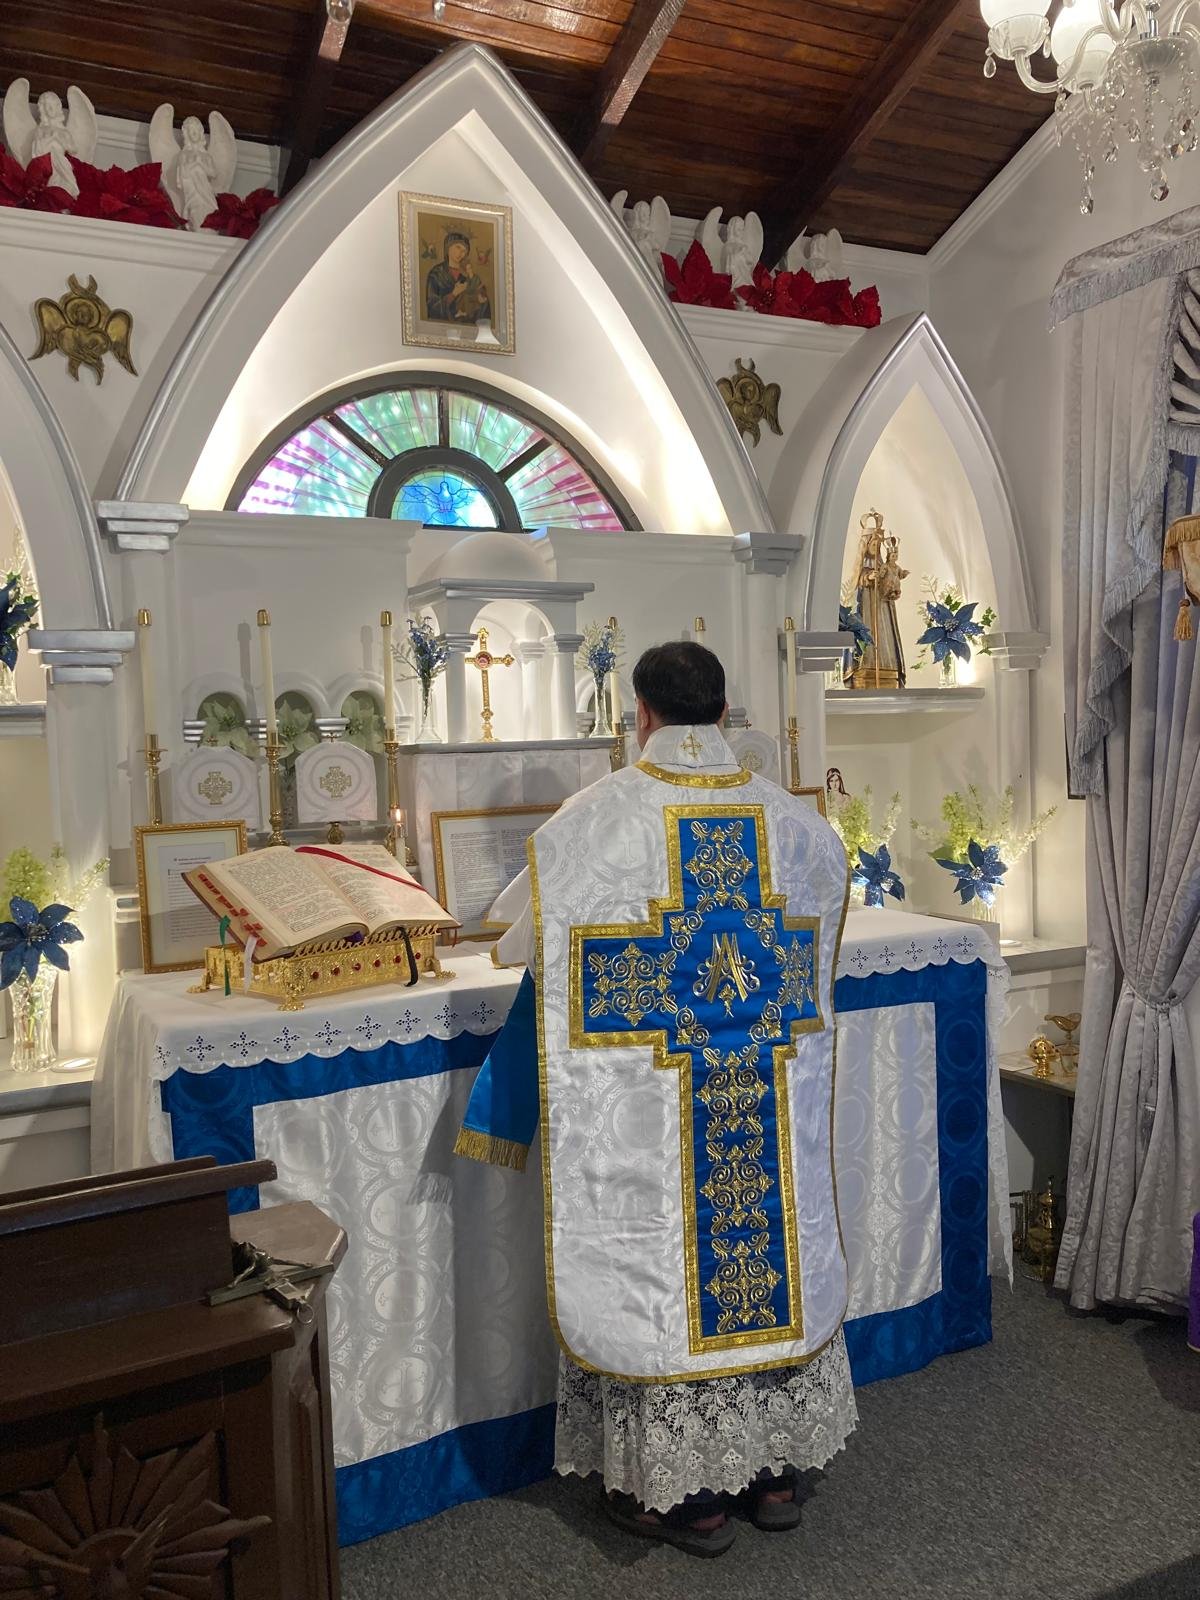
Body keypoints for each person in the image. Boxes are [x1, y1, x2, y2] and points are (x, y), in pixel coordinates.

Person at [454, 641, 856, 1557]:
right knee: (764, 1249)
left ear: (639, 713)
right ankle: (774, 1474)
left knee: (668, 1275)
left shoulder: (594, 822)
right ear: (723, 710)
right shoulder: (798, 825)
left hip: (664, 1099)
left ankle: (690, 1500)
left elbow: (533, 945)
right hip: (758, 1091)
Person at [425, 231, 491, 324]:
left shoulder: (468, 276)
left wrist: (481, 300)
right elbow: (432, 307)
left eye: (464, 251)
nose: (461, 253)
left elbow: (483, 306)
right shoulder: (436, 274)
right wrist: (453, 294)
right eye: (458, 247)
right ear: (448, 248)